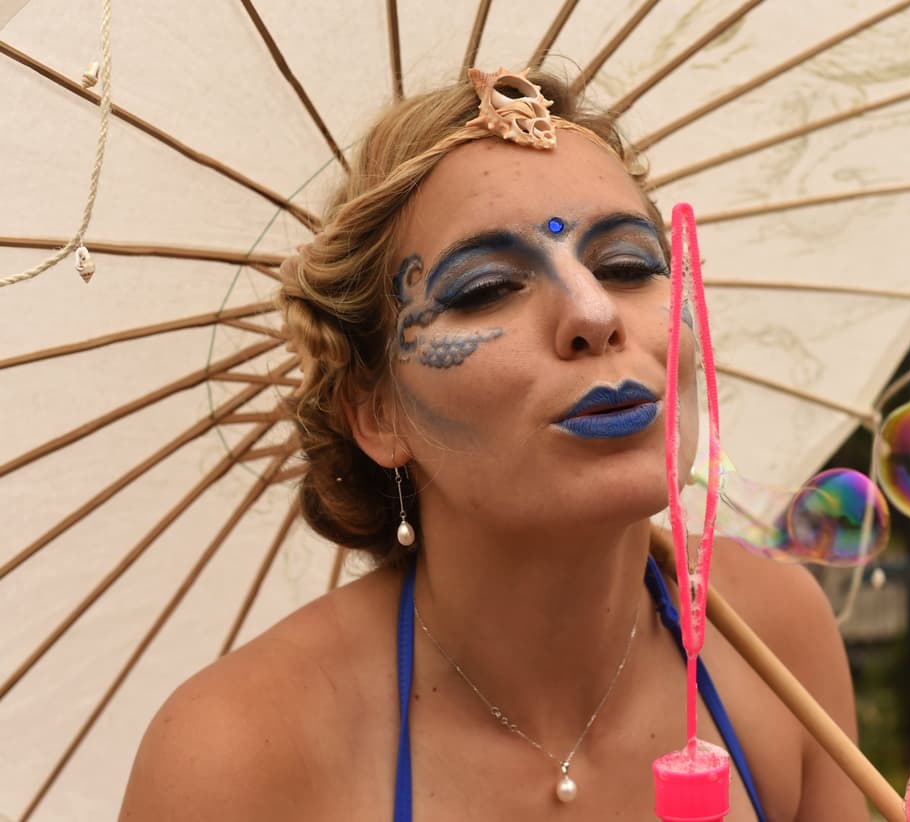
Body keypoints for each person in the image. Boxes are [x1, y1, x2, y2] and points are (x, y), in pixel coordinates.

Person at [118, 69, 868, 821]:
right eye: (485, 288)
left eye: (629, 264)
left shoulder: (776, 638)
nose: (595, 311)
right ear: (376, 413)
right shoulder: (235, 757)